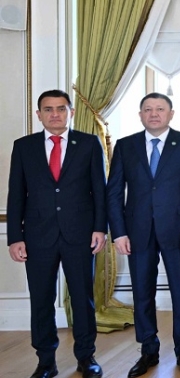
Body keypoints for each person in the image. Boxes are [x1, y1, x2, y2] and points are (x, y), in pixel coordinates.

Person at [106, 93, 180, 377]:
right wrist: (119, 233)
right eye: (148, 109)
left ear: (171, 114)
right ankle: (148, 350)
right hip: (137, 232)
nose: (154, 114)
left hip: (179, 232)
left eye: (160, 109)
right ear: (140, 114)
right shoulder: (126, 145)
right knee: (142, 293)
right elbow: (113, 193)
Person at [7, 89, 107, 378]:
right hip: (37, 237)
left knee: (82, 299)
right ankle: (46, 361)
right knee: (41, 300)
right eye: (48, 109)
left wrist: (100, 228)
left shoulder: (88, 143)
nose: (55, 114)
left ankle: (86, 357)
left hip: (81, 235)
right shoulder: (24, 147)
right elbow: (16, 195)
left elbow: (99, 191)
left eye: (61, 108)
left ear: (70, 112)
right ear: (39, 115)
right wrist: (15, 237)